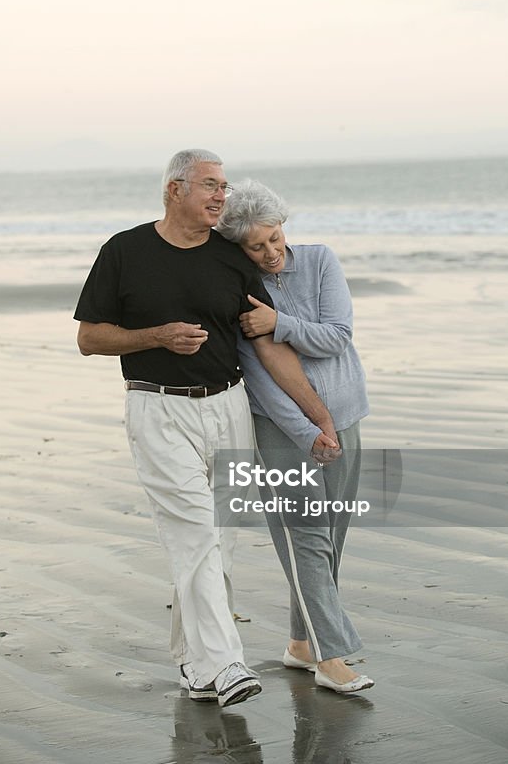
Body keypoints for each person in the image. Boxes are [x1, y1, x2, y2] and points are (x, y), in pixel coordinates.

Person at [73, 151, 339, 708]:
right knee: (194, 531)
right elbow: (90, 338)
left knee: (220, 539)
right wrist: (157, 337)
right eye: (211, 186)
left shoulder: (230, 258)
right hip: (158, 408)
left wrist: (317, 415)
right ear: (175, 189)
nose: (222, 196)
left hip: (229, 407)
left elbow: (268, 346)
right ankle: (226, 663)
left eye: (225, 186)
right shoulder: (124, 251)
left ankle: (194, 665)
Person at [217, 179, 374, 694]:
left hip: (347, 416)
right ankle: (330, 657)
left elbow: (338, 336)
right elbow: (259, 373)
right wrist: (307, 431)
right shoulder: (234, 288)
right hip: (281, 430)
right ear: (239, 246)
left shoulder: (320, 260)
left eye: (275, 239)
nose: (270, 253)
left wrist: (278, 323)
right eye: (256, 247)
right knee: (305, 536)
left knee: (331, 539)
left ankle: (301, 644)